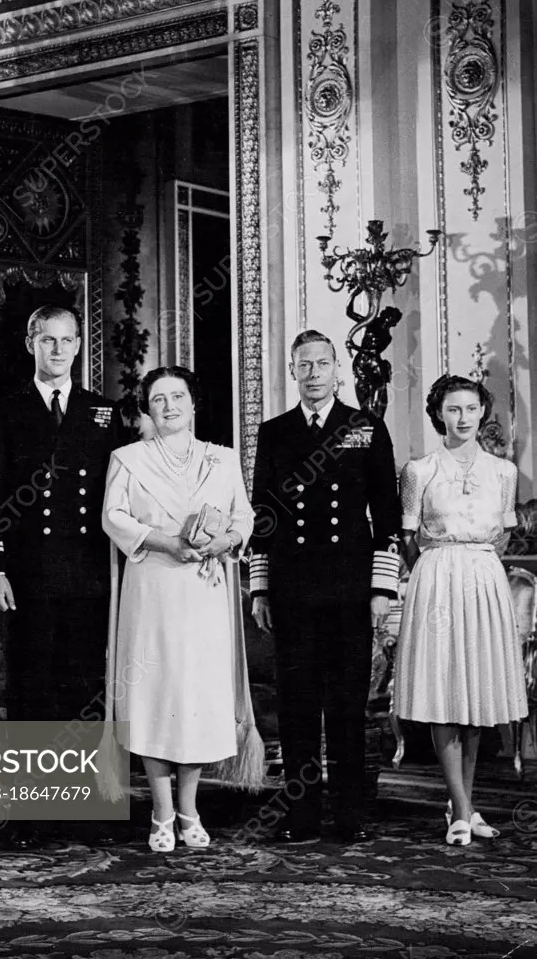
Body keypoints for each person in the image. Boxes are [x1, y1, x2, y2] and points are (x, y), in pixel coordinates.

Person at [102, 365, 263, 852]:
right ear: (147, 409)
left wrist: (227, 540)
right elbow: (113, 517)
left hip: (204, 591)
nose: (169, 406)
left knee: (195, 697)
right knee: (155, 695)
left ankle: (189, 807)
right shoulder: (127, 458)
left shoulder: (223, 459)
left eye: (177, 397)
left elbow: (244, 516)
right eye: (158, 399)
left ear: (193, 404)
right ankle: (160, 810)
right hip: (152, 588)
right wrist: (165, 541)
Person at [250, 330, 401, 843]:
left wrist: (382, 588)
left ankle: (350, 814)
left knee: (346, 704)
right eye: (303, 365)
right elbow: (263, 515)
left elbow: (387, 514)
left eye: (322, 363)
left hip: (350, 585)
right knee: (296, 705)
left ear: (338, 369)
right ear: (291, 371)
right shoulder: (274, 432)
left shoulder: (365, 427)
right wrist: (260, 588)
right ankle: (302, 814)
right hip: (293, 586)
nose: (313, 373)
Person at [393, 374, 528, 845]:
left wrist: (476, 563)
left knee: (474, 695)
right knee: (444, 691)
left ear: (482, 412)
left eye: (471, 408)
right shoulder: (419, 470)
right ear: (439, 415)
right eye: (454, 409)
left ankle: (463, 806)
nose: (464, 418)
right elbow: (408, 537)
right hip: (437, 579)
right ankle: (461, 810)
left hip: (484, 577)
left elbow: (506, 533)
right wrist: (436, 569)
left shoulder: (504, 471)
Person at [0, 305, 123, 726]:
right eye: (47, 339)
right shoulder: (2, 413)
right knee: (30, 687)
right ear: (31, 344)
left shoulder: (104, 412)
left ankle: (81, 790)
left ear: (78, 346)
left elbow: (120, 497)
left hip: (89, 576)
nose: (57, 349)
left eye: (66, 340)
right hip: (27, 576)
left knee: (84, 688)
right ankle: (32, 790)